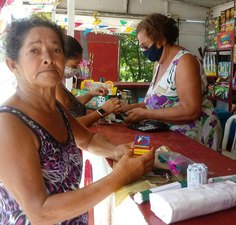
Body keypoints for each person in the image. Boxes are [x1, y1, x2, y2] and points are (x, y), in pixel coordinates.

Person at [0, 17, 155, 224]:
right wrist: (119, 177)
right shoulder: (9, 124)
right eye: (34, 50)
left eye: (56, 50)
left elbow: (87, 140)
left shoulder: (56, 109)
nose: (48, 58)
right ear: (13, 65)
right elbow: (40, 212)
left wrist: (116, 151)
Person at [116, 13, 222, 151]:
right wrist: (130, 107)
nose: (144, 51)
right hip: (171, 136)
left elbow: (191, 111)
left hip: (195, 137)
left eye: (146, 46)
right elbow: (153, 102)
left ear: (161, 39)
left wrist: (146, 114)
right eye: (141, 47)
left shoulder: (185, 62)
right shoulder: (159, 63)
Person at [56, 35, 120, 127]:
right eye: (74, 65)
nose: (76, 69)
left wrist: (91, 94)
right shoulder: (51, 85)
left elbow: (71, 105)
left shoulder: (58, 82)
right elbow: (69, 126)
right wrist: (102, 111)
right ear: (60, 59)